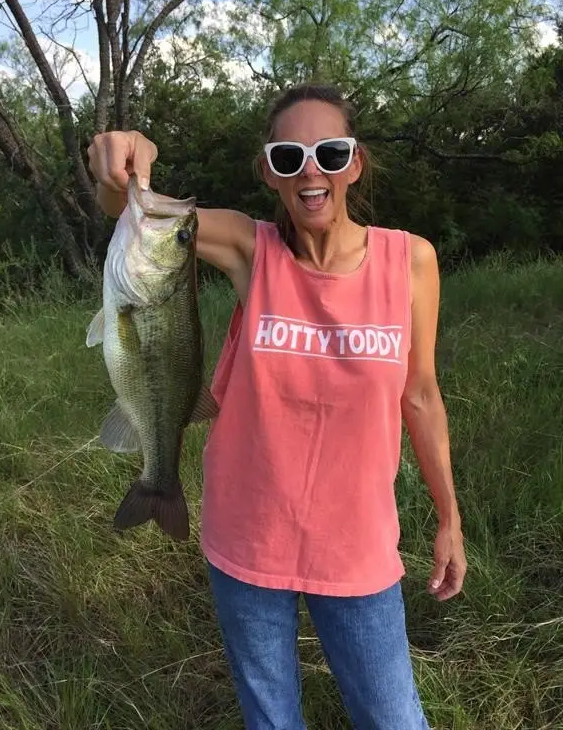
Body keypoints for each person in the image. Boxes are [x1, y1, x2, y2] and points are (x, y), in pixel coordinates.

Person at [87, 83, 467, 730]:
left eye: (330, 153)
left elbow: (421, 395)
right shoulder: (249, 247)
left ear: (355, 163)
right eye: (289, 157)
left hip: (357, 545)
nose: (311, 172)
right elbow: (138, 217)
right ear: (269, 172)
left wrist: (449, 518)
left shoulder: (412, 262)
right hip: (249, 535)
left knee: (394, 719)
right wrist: (121, 163)